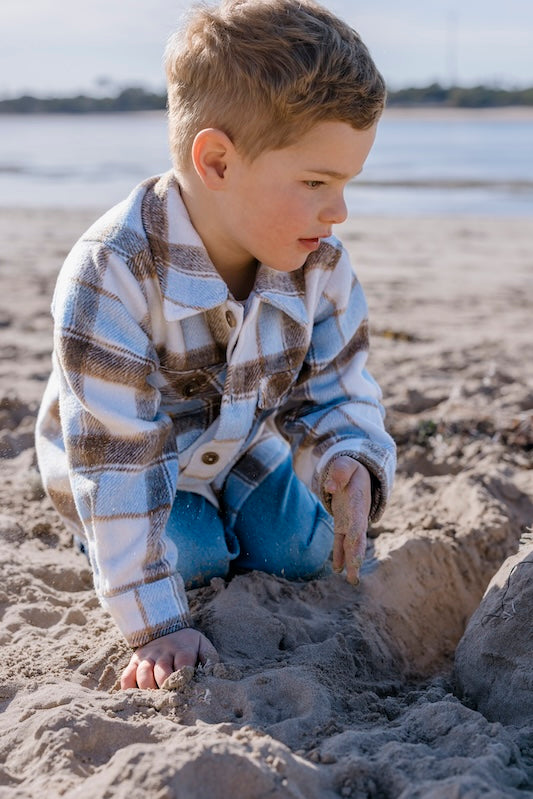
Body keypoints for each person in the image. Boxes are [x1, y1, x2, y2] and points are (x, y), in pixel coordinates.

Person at [35, 0, 396, 690]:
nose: (337, 211)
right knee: (190, 551)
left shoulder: (319, 262)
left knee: (302, 549)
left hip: (239, 447)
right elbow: (116, 457)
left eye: (346, 184)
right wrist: (156, 625)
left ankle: (242, 515)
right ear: (218, 162)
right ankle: (122, 545)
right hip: (135, 463)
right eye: (316, 183)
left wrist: (349, 457)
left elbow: (339, 387)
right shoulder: (110, 273)